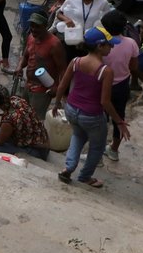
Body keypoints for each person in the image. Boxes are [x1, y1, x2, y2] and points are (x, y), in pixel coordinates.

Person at [53, 27, 130, 188]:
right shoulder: (105, 71)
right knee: (97, 147)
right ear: (100, 46)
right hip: (92, 115)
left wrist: (56, 103)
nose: (112, 47)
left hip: (72, 109)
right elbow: (105, 102)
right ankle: (85, 176)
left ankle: (68, 167)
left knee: (77, 136)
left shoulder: (76, 62)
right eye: (109, 44)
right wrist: (120, 122)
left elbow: (62, 86)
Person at [0, 84, 50, 160]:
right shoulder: (16, 99)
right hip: (38, 139)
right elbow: (6, 106)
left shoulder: (9, 120)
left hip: (37, 150)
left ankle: (24, 154)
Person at [99, 11, 138, 163]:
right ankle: (114, 150)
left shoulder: (101, 44)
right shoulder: (131, 43)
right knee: (119, 118)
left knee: (100, 118)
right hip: (122, 85)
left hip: (102, 84)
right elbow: (134, 66)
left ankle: (98, 149)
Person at [17, 11, 65, 120]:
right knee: (22, 115)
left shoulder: (54, 44)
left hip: (43, 90)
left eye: (37, 26)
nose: (33, 29)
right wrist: (19, 67)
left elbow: (63, 69)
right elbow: (25, 57)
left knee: (35, 120)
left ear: (45, 26)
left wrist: (57, 89)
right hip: (28, 85)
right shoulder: (31, 37)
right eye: (32, 26)